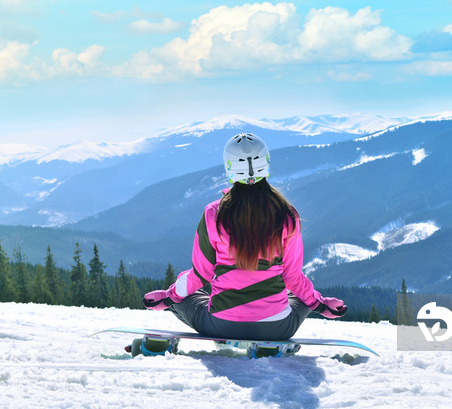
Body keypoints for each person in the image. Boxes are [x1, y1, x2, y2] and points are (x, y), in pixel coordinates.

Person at [142, 133, 347, 342]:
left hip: (221, 327)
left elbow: (201, 275)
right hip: (278, 328)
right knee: (301, 296)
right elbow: (292, 278)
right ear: (266, 163)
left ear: (229, 167)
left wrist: (168, 297)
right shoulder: (287, 215)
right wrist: (320, 304)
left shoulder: (213, 214)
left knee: (182, 292)